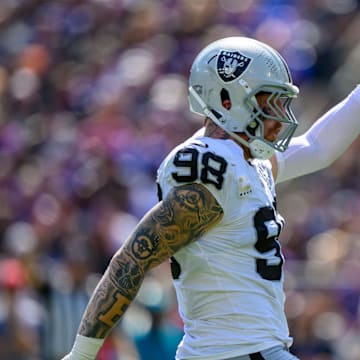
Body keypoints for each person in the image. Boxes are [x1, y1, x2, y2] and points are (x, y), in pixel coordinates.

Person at [61, 37, 360, 360]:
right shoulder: (210, 165)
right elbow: (134, 258)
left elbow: (318, 147)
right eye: (268, 102)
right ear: (227, 101)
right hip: (235, 352)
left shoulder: (245, 162)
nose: (279, 117)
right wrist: (80, 355)